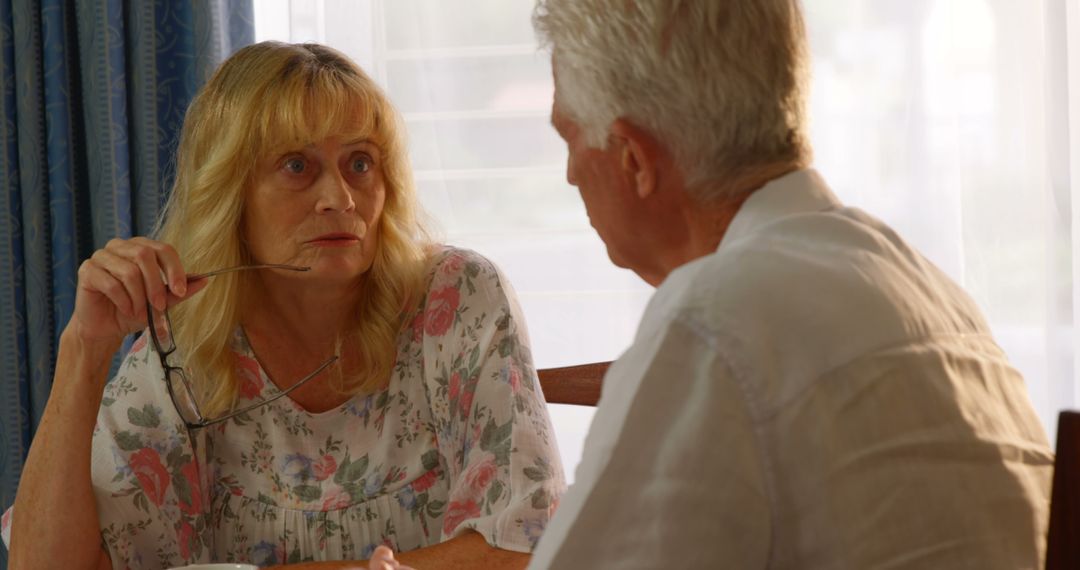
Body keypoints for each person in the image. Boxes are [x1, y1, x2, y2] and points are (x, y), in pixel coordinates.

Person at [527, 0, 1054, 568]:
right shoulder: (928, 290)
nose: (569, 173)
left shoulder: (711, 320)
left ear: (634, 160)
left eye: (568, 137)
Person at [1, 41, 564, 570]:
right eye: (297, 166)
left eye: (360, 163)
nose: (339, 198)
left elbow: (525, 549)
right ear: (231, 194)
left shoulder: (457, 296)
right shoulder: (190, 343)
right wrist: (85, 349)